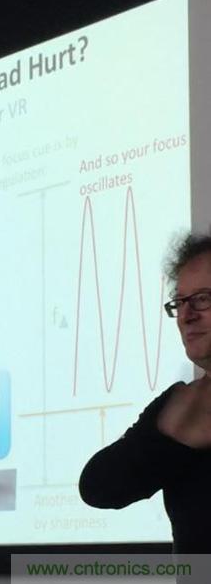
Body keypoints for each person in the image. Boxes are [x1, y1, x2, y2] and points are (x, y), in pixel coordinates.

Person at [79, 233, 211, 553]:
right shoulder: (180, 404)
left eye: (203, 299)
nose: (186, 316)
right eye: (180, 302)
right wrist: (172, 435)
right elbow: (98, 487)